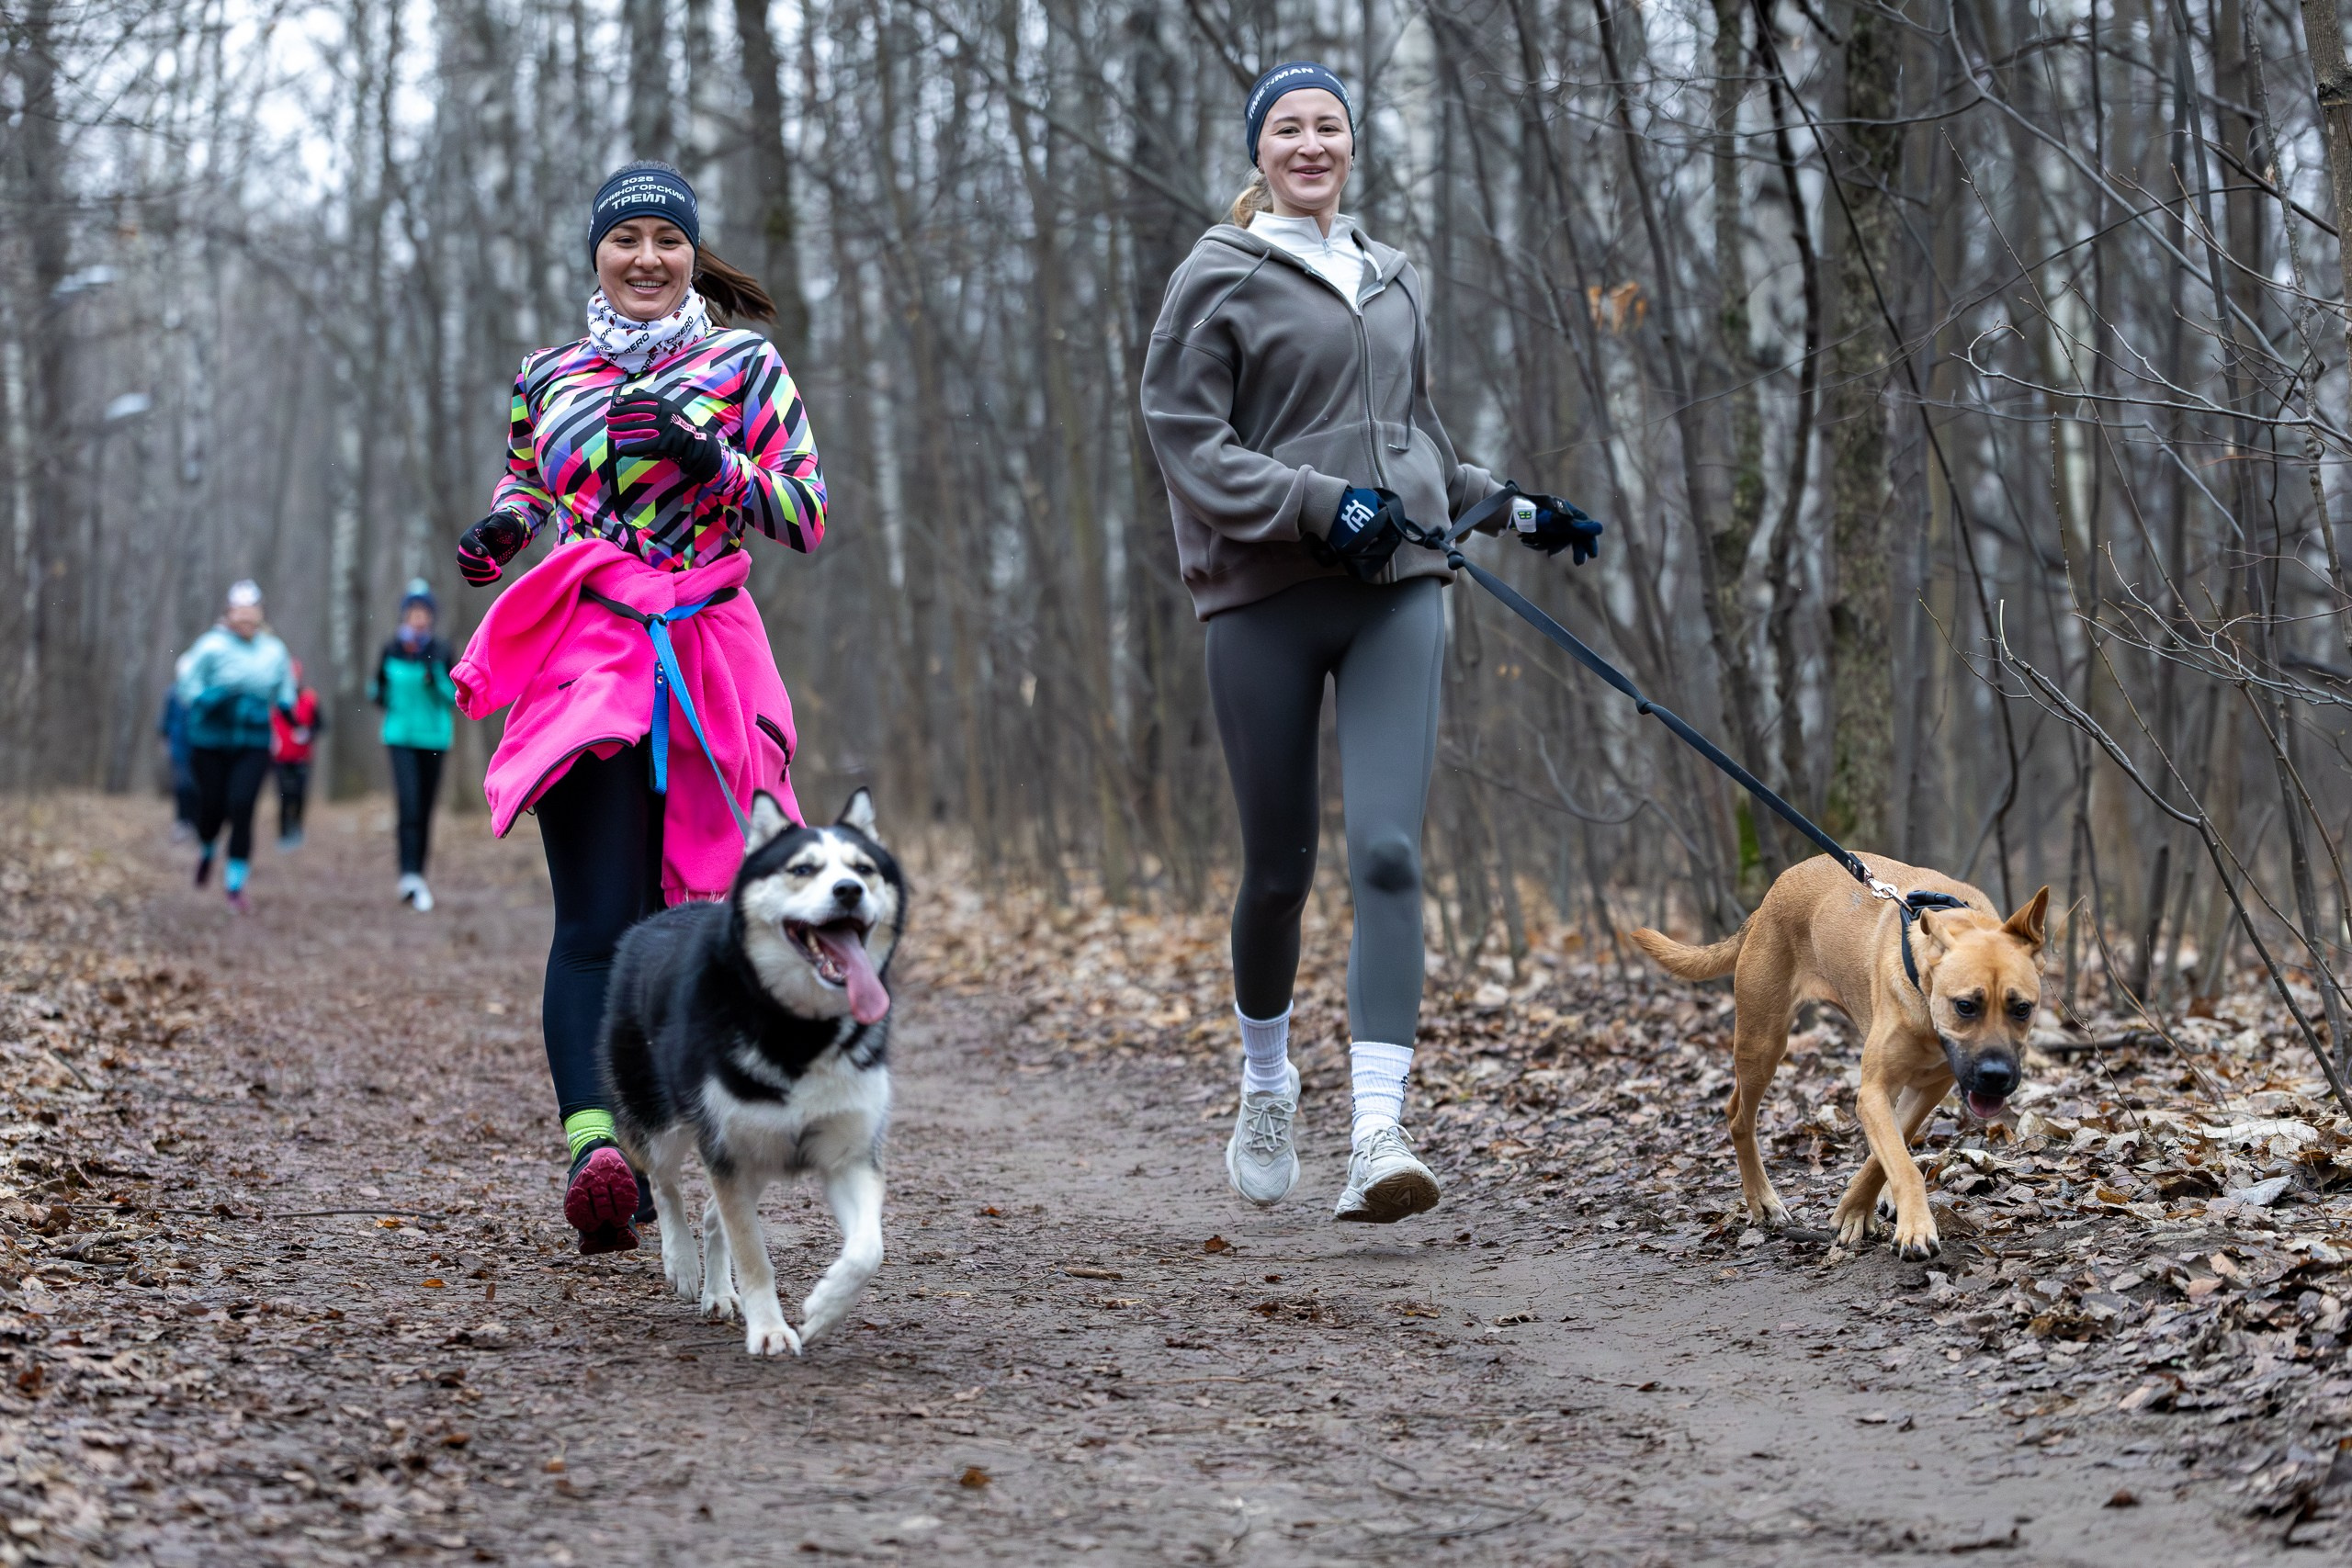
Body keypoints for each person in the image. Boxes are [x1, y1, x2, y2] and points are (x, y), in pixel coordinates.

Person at [1139, 63, 1602, 1223]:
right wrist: (1313, 501)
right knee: (1281, 870)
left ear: (1353, 145)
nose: (1309, 144)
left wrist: (1509, 506)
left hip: (1399, 583)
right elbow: (1185, 435)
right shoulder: (1217, 274)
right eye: (1287, 128)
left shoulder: (1391, 277)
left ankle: (1377, 1131)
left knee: (1390, 854)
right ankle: (1264, 1082)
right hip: (1265, 594)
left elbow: (1413, 437)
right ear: (1258, 152)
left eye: (1327, 126)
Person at [450, 160, 825, 1254]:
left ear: (690, 255)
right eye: (626, 241)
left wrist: (715, 464)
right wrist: (504, 531)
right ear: (597, 257)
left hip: (707, 650)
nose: (646, 258)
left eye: (667, 239)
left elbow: (804, 514)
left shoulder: (745, 365)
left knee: (713, 913)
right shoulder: (549, 374)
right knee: (597, 919)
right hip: (588, 653)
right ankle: (595, 1151)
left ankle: (697, 1138)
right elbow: (528, 484)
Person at [175, 581, 297, 912]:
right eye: (239, 612)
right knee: (213, 807)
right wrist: (206, 698)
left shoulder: (273, 649)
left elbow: (286, 688)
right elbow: (186, 685)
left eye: (251, 612)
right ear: (228, 614)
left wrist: (287, 707)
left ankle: (234, 885)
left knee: (242, 807)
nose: (245, 618)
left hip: (254, 742)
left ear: (260, 615)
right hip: (211, 741)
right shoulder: (211, 646)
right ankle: (207, 848)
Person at [369, 581, 457, 910]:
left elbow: (455, 698)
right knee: (407, 805)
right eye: (412, 612)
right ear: (405, 615)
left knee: (424, 808)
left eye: (424, 612)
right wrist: (377, 694)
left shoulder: (443, 650)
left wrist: (435, 680)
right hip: (400, 737)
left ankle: (419, 875)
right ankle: (407, 875)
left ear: (431, 616)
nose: (418, 618)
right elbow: (377, 690)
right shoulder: (391, 648)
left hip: (434, 738)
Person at [271, 658, 323, 850]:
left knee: (300, 794)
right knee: (284, 795)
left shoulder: (310, 698)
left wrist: (308, 733)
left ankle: (297, 829)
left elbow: (320, 725)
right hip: (280, 757)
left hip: (302, 757)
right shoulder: (275, 699)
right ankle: (284, 833)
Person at [159, 669, 198, 842]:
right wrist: (165, 739)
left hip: (199, 747)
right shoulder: (172, 693)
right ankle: (182, 822)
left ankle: (197, 823)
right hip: (178, 746)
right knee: (182, 784)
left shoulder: (201, 693)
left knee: (197, 786)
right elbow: (165, 720)